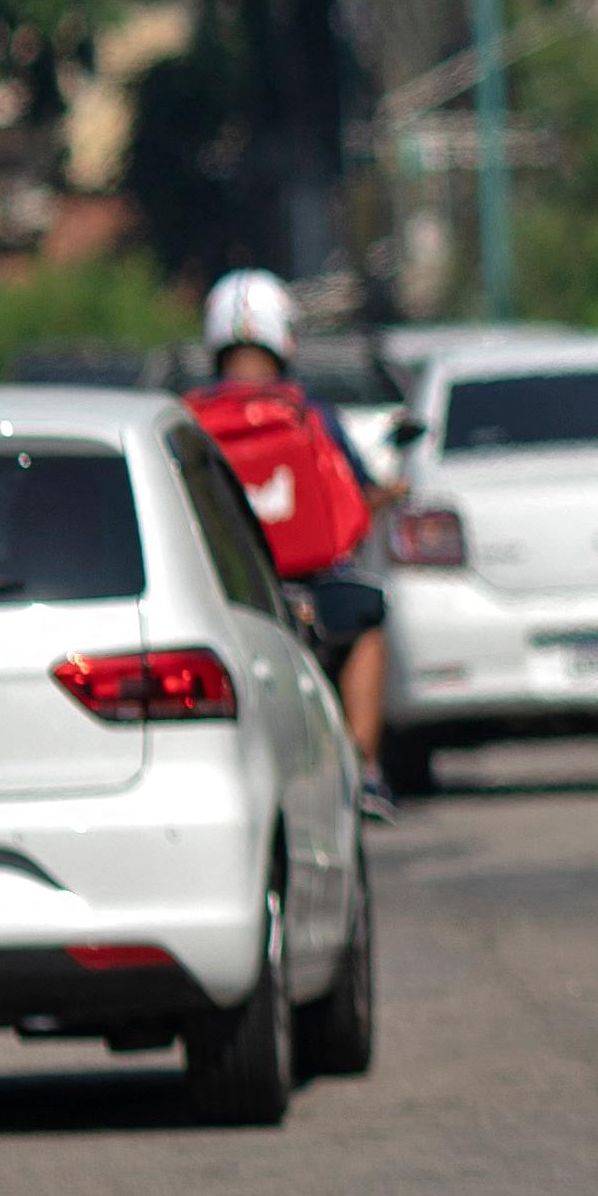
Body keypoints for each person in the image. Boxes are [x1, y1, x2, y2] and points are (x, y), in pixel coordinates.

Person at [181, 269, 393, 817]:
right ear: (285, 338)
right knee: (367, 618)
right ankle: (364, 769)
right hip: (312, 588)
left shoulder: (186, 420)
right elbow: (352, 505)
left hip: (223, 597)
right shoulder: (309, 413)